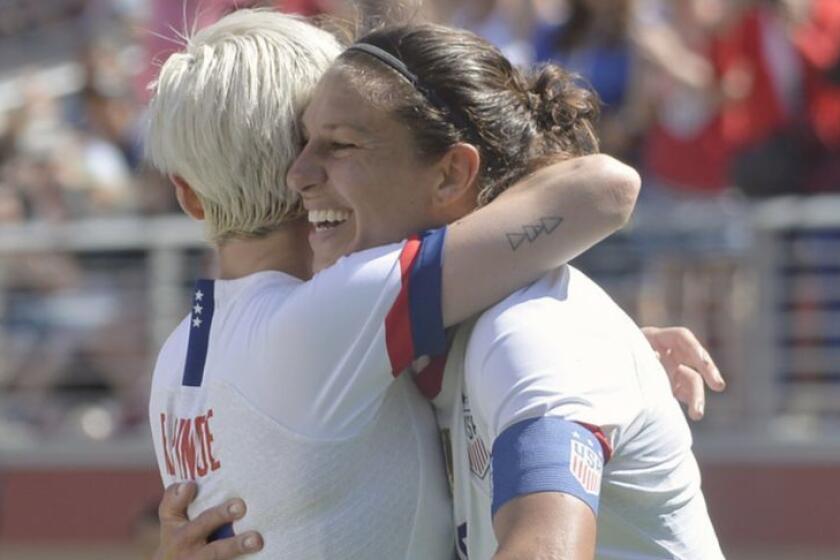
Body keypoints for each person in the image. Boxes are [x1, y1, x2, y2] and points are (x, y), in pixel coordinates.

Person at [149, 11, 724, 560]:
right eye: (304, 141)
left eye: (337, 142)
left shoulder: (180, 357)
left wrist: (604, 353)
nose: (306, 171)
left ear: (187, 195)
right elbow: (599, 187)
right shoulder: (344, 322)